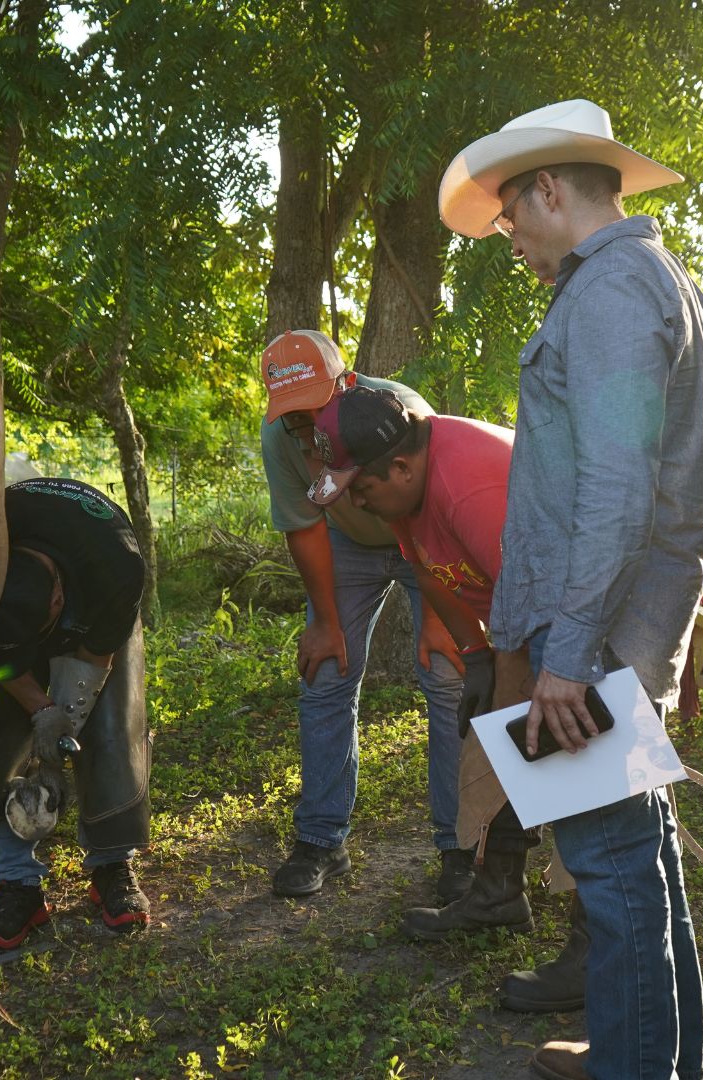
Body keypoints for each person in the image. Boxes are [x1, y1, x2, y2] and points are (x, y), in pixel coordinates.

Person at [439, 99, 703, 1080]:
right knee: (638, 864)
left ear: (550, 190)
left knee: (611, 872)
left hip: (591, 634)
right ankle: (651, 1056)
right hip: (604, 625)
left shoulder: (607, 291)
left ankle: (637, 1067)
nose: (508, 235)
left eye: (511, 214)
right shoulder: (640, 279)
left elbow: (616, 484)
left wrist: (564, 658)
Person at [308, 383, 591, 1014]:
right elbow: (430, 571)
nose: (356, 502)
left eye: (360, 488)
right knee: (502, 739)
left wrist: (561, 676)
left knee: (584, 769)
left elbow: (564, 592)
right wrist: (478, 654)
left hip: (582, 611)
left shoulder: (469, 487)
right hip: (527, 607)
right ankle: (497, 893)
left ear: (401, 467)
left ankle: (597, 949)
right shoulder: (405, 493)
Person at [257, 330, 470, 902]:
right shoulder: (278, 437)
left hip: (424, 540)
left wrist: (437, 618)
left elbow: (434, 515)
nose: (302, 429)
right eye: (291, 417)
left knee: (448, 677)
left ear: (346, 384)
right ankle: (322, 840)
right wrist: (325, 622)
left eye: (314, 412)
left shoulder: (400, 414)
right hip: (348, 544)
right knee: (326, 673)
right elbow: (304, 526)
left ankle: (461, 847)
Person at [0, 477, 154, 949]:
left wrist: (61, 737)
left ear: (58, 598)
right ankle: (19, 886)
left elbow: (94, 662)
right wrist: (40, 710)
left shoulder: (117, 568)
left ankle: (111, 868)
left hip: (96, 618)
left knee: (109, 732)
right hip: (0, 617)